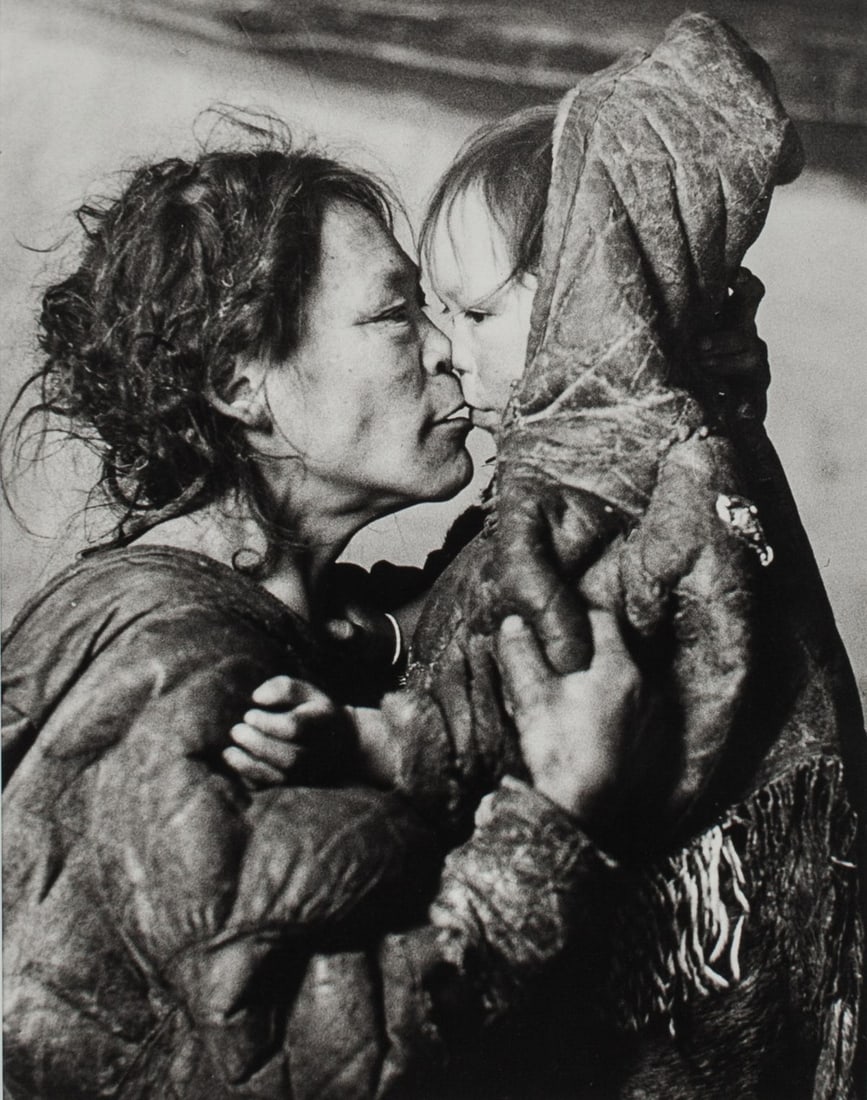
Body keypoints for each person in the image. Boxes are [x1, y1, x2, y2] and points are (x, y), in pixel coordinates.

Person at [234, 15, 864, 1098]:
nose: (449, 347)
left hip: (710, 970)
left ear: (590, 296)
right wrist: (393, 624)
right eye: (432, 311)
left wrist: (385, 738)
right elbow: (488, 576)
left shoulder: (651, 480)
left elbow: (568, 669)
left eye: (477, 311)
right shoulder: (601, 447)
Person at [1, 135, 654, 1099]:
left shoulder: (305, 626)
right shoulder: (174, 657)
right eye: (395, 315)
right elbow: (281, 1075)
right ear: (241, 386)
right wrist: (551, 819)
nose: (443, 347)